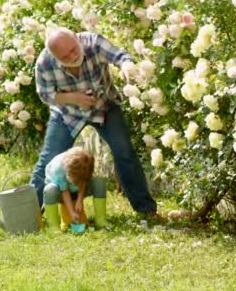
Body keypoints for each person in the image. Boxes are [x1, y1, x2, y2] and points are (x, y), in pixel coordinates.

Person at [29, 27, 158, 220]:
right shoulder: (45, 62)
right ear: (55, 57)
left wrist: (126, 66)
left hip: (104, 106)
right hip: (68, 113)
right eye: (65, 56)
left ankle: (146, 210)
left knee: (125, 153)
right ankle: (28, 216)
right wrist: (73, 97)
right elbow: (45, 95)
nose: (73, 56)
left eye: (74, 49)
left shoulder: (93, 43)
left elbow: (120, 56)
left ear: (75, 37)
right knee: (48, 159)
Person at [43, 146, 106, 232]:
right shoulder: (58, 168)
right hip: (61, 192)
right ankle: (54, 227)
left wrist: (79, 200)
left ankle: (101, 221)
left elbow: (84, 181)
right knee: (50, 189)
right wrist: (72, 213)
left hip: (75, 190)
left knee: (99, 182)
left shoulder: (85, 164)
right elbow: (64, 191)